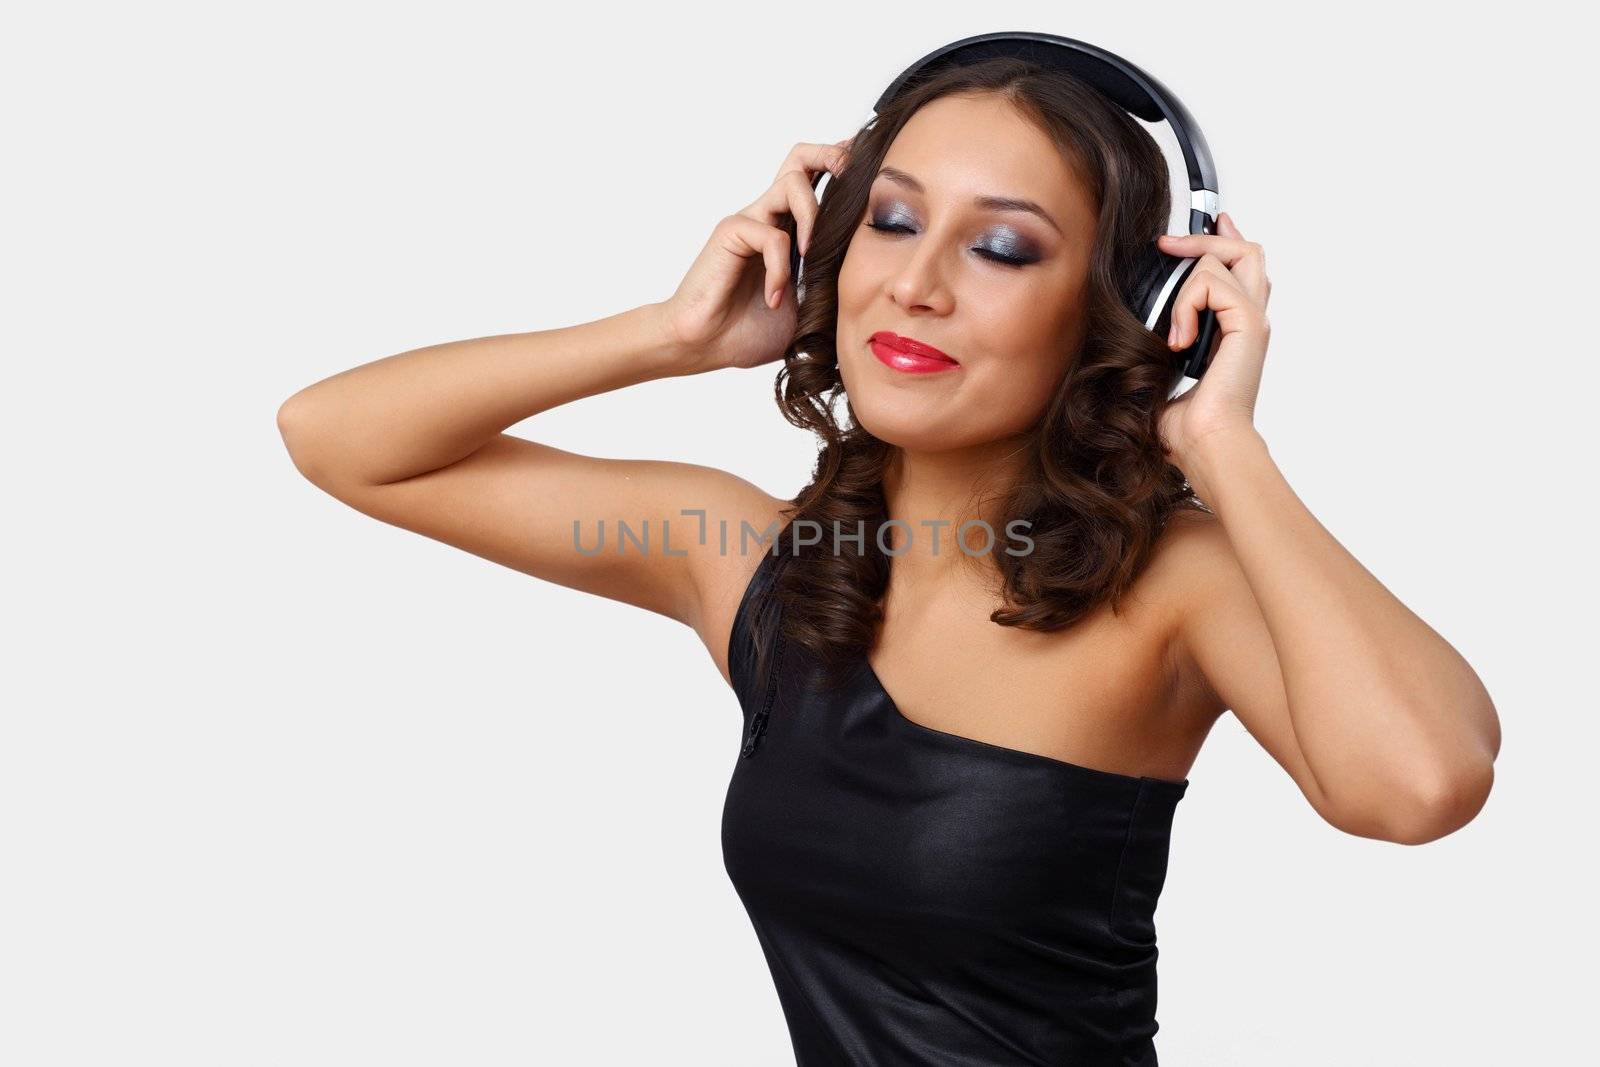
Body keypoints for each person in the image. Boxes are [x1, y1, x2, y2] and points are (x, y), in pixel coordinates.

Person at [277, 55, 1500, 1067]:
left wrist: (1222, 443)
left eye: (1003, 249)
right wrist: (672, 333)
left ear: (1119, 299)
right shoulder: (748, 561)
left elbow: (1414, 785)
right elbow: (341, 440)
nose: (913, 285)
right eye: (893, 220)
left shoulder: (1174, 582)